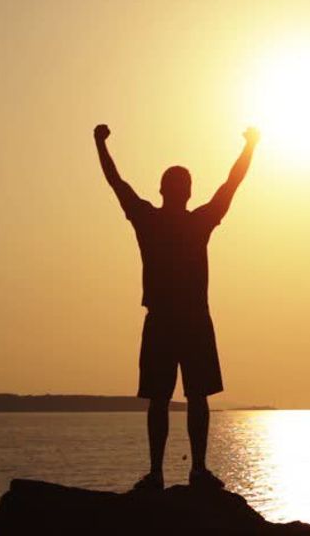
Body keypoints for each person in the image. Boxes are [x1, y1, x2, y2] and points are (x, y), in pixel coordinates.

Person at [93, 123, 259, 491]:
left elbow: (116, 182)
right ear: (186, 192)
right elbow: (231, 184)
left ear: (163, 190)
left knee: (170, 399)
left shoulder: (154, 219)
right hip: (184, 320)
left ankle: (172, 471)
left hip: (173, 321)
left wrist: (100, 144)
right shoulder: (188, 221)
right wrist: (251, 146)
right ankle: (182, 470)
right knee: (182, 398)